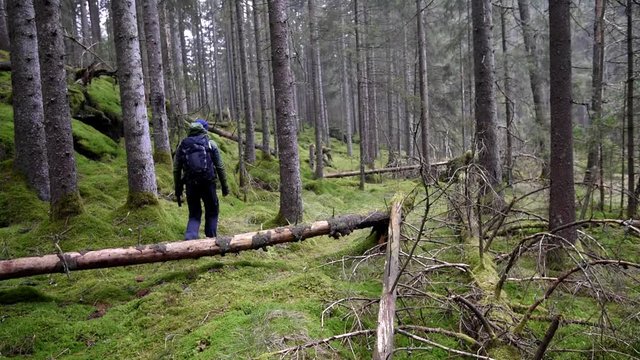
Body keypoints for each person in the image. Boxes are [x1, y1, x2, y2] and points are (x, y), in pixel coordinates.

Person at [174, 119, 229, 239]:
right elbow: (220, 167)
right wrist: (225, 187)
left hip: (190, 184)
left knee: (194, 214)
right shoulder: (210, 144)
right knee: (212, 211)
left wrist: (178, 189)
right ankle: (211, 240)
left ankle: (190, 239)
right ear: (204, 130)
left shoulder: (182, 145)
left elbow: (176, 169)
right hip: (208, 183)